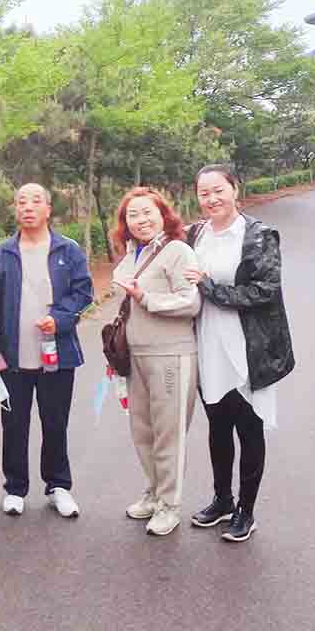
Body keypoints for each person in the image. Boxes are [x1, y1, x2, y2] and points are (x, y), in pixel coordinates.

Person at [183, 164, 295, 543]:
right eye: (204, 193)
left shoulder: (259, 235)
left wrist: (210, 288)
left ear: (235, 189)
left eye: (219, 190)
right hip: (207, 344)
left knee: (249, 429)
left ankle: (246, 511)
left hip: (249, 349)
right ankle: (222, 500)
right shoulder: (195, 234)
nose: (212, 199)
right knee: (218, 428)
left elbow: (265, 290)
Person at [0, 183, 94, 519]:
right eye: (21, 202)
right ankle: (15, 489)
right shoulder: (3, 254)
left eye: (35, 201)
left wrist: (59, 319)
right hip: (12, 357)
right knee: (13, 425)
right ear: (15, 209)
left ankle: (59, 486)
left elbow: (83, 292)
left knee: (55, 423)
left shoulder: (68, 250)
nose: (28, 207)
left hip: (57, 355)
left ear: (48, 208)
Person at [109, 187, 201, 536]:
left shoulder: (178, 251)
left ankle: (169, 505)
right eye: (132, 215)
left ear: (163, 215)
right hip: (136, 357)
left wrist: (146, 298)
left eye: (147, 212)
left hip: (171, 355)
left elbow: (190, 302)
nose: (141, 220)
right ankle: (153, 491)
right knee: (143, 432)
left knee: (168, 434)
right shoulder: (132, 254)